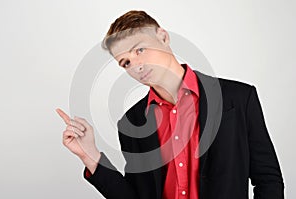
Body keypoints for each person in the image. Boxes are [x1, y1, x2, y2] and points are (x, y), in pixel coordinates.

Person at [56, 10, 284, 199]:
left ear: (163, 37)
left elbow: (268, 179)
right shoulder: (132, 121)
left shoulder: (238, 98)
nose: (136, 66)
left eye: (140, 50)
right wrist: (90, 156)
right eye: (126, 62)